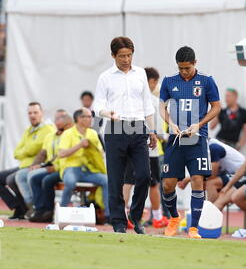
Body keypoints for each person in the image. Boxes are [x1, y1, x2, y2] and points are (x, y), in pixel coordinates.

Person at [93, 36, 157, 234]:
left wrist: (152, 130)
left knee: (145, 175)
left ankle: (136, 216)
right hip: (115, 127)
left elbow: (147, 104)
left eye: (129, 55)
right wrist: (107, 113)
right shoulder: (105, 77)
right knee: (116, 179)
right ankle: (119, 223)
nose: (126, 59)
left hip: (138, 127)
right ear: (113, 55)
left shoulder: (140, 74)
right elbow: (98, 106)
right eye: (122, 56)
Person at [160, 46, 221, 239]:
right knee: (168, 184)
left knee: (197, 180)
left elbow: (217, 106)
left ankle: (193, 228)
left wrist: (199, 124)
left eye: (187, 68)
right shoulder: (169, 81)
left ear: (195, 63)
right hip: (176, 139)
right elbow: (162, 106)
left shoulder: (206, 80)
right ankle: (174, 218)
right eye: (180, 68)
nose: (184, 72)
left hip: (198, 138)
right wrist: (170, 122)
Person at [0, 102, 54, 220]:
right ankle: (19, 206)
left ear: (42, 113)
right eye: (30, 113)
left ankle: (26, 209)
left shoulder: (48, 129)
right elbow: (16, 152)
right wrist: (27, 151)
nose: (32, 115)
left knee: (11, 179)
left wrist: (25, 151)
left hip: (35, 166)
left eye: (35, 112)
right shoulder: (29, 130)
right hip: (23, 165)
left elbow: (36, 147)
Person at [122, 67, 168, 229]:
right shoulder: (153, 101)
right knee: (153, 183)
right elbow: (159, 130)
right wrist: (165, 136)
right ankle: (157, 217)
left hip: (129, 144)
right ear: (153, 81)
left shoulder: (130, 98)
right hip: (150, 148)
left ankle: (123, 214)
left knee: (128, 181)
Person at [57, 108, 110, 220]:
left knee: (106, 180)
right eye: (89, 116)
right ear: (79, 119)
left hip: (88, 169)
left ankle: (108, 216)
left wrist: (93, 149)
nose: (91, 119)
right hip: (71, 168)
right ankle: (61, 213)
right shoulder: (68, 133)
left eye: (91, 116)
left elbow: (100, 153)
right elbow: (61, 154)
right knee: (70, 182)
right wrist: (79, 145)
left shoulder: (93, 133)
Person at [28, 110, 73, 223]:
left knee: (47, 180)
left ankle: (48, 211)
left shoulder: (71, 136)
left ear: (68, 125)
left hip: (66, 169)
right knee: (34, 178)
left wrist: (54, 167)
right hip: (55, 167)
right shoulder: (52, 136)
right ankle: (39, 209)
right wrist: (38, 165)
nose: (59, 130)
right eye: (57, 126)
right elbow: (47, 155)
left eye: (61, 128)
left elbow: (65, 158)